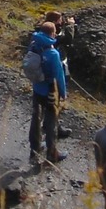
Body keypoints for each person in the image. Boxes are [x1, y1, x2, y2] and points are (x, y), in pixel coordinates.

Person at [28, 22, 70, 163]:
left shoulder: (34, 43)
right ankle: (52, 153)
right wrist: (63, 94)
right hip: (50, 92)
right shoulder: (53, 54)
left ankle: (34, 150)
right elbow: (59, 77)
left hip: (37, 88)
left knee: (35, 118)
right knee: (51, 121)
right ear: (53, 33)